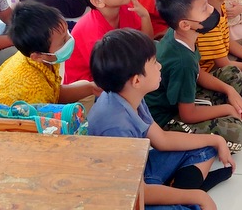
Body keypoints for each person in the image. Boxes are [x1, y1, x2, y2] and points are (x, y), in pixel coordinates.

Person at [88, 28, 234, 209]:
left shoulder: (129, 95)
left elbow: (162, 139)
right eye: (154, 63)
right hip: (127, 194)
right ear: (136, 80)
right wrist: (198, 197)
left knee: (206, 146)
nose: (160, 66)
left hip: (141, 170)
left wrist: (216, 140)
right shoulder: (115, 127)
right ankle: (190, 191)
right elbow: (138, 192)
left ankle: (186, 191)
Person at [144, 0, 242, 153]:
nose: (211, 10)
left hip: (183, 97)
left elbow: (197, 72)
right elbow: (187, 114)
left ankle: (212, 108)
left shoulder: (179, 34)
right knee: (238, 134)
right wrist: (227, 109)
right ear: (185, 24)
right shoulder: (182, 61)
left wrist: (229, 90)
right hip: (167, 119)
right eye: (204, 8)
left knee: (233, 74)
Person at [0, 2, 101, 106]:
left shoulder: (41, 55)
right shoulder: (35, 89)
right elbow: (46, 121)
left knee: (86, 87)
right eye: (63, 41)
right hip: (11, 122)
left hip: (28, 107)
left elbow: (53, 92)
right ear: (38, 56)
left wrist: (90, 88)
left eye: (67, 32)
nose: (70, 40)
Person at [65, 0, 153, 85]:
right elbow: (112, 76)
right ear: (97, 1)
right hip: (89, 86)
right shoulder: (92, 32)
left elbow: (147, 45)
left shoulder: (127, 7)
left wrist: (145, 16)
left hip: (121, 69)